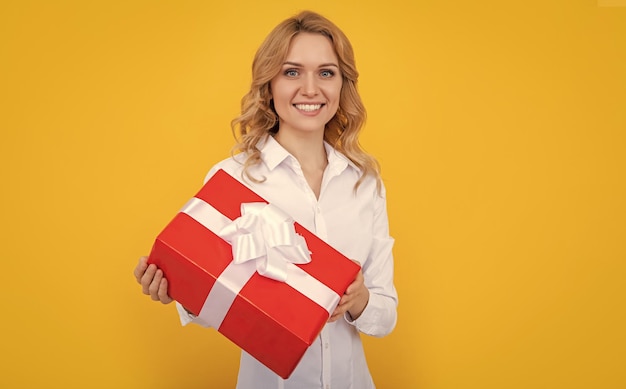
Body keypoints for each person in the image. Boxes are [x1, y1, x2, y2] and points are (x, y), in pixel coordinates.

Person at [133, 10, 398, 389]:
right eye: (292, 72)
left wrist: (359, 300)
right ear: (269, 85)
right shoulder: (233, 178)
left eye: (326, 72)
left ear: (343, 86)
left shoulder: (365, 184)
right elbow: (219, 303)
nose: (310, 88)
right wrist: (182, 291)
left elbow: (385, 316)